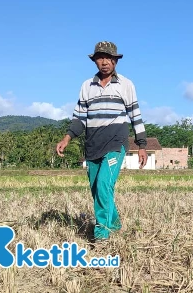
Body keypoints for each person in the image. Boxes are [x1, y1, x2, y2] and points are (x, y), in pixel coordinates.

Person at [56, 41, 147, 242]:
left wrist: (142, 145)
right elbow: (79, 117)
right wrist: (67, 138)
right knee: (97, 188)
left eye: (108, 58)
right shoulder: (87, 86)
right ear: (95, 61)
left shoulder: (126, 85)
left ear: (115, 61)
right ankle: (114, 223)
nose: (104, 62)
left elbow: (135, 115)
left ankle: (102, 235)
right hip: (93, 145)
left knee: (104, 184)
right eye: (100, 58)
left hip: (116, 143)